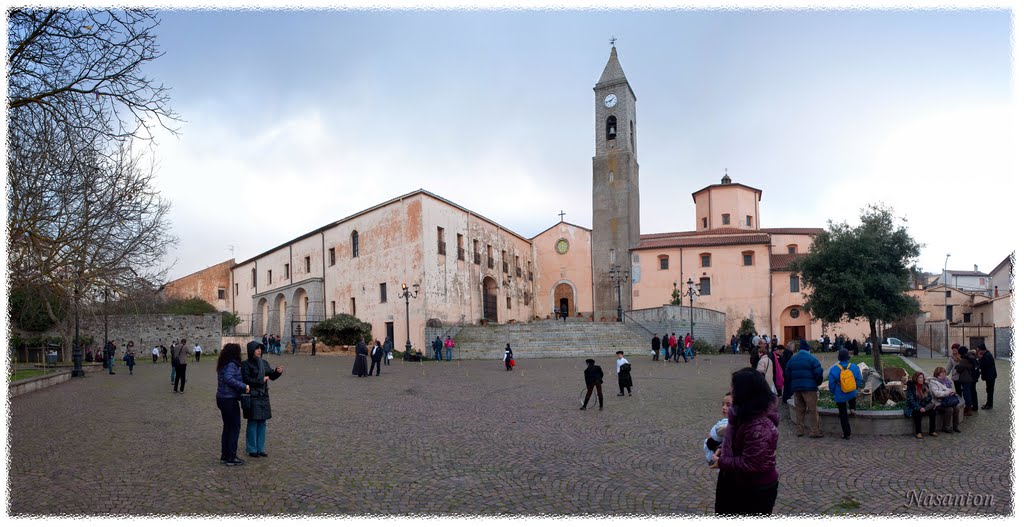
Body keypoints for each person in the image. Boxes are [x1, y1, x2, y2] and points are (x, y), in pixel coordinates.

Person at [711, 368, 779, 515]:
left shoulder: (760, 425)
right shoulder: (742, 411)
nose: (731, 390)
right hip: (733, 480)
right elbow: (736, 440)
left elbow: (751, 463)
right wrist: (723, 447)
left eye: (734, 387)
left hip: (754, 489)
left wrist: (722, 462)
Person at [242, 341, 284, 457]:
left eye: (260, 348)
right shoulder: (246, 364)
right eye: (257, 349)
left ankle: (260, 448)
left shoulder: (264, 363)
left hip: (264, 396)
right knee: (253, 422)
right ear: (251, 350)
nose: (259, 350)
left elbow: (271, 375)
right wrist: (261, 380)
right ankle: (252, 449)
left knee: (262, 423)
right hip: (253, 396)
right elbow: (246, 379)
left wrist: (277, 371)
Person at [216, 343, 250, 466]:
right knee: (234, 428)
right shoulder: (231, 364)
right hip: (229, 399)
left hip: (222, 398)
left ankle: (225, 455)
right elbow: (228, 378)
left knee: (227, 427)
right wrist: (244, 386)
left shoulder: (224, 363)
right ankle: (231, 456)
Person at [785, 340, 824, 438]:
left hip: (796, 388)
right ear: (808, 350)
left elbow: (787, 374)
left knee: (799, 409)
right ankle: (814, 431)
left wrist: (792, 383)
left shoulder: (792, 359)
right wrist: (817, 383)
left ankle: (799, 430)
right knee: (812, 410)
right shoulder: (812, 359)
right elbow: (819, 373)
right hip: (809, 388)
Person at [828, 349, 862, 440]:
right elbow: (859, 380)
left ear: (839, 358)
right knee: (852, 395)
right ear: (848, 357)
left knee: (842, 413)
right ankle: (852, 409)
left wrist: (834, 391)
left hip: (840, 393)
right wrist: (854, 387)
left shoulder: (834, 369)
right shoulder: (854, 367)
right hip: (851, 392)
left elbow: (831, 384)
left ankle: (847, 434)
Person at [927, 367, 962, 433]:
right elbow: (936, 394)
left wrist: (952, 392)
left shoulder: (947, 380)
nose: (944, 374)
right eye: (942, 372)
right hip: (938, 403)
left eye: (944, 372)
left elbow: (950, 390)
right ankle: (946, 427)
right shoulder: (933, 382)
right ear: (937, 373)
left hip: (948, 401)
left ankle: (955, 426)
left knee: (956, 408)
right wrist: (948, 393)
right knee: (949, 409)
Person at [905, 371, 938, 438]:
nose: (921, 379)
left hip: (924, 406)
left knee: (933, 412)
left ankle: (932, 431)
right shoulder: (911, 387)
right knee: (917, 414)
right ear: (916, 378)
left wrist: (925, 406)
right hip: (914, 407)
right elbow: (911, 400)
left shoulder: (925, 385)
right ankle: (918, 432)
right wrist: (919, 407)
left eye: (922, 377)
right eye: (919, 377)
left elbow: (929, 397)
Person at [704, 392, 732, 465]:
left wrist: (710, 441)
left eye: (728, 405)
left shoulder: (729, 423)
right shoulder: (725, 420)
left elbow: (720, 431)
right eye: (723, 404)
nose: (724, 407)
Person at [955, 348, 978, 416]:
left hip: (966, 379)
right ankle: (970, 407)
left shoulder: (965, 359)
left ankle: (969, 409)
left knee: (966, 394)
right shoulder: (971, 357)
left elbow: (959, 369)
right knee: (970, 393)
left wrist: (957, 366)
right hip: (971, 378)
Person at [978, 343, 996, 410]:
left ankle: (989, 405)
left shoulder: (987, 355)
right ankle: (988, 403)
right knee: (989, 390)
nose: (978, 352)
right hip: (989, 376)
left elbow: (983, 365)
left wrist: (980, 358)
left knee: (990, 391)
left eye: (979, 350)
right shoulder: (986, 354)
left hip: (990, 376)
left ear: (982, 350)